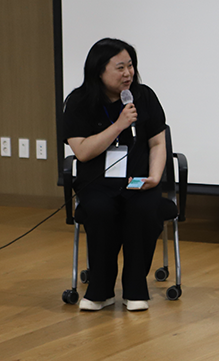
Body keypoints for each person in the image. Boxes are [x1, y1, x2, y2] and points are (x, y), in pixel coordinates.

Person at [62, 38, 170, 312]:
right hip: (97, 184)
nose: (128, 73)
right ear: (99, 71)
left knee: (145, 210)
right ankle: (100, 290)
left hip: (138, 180)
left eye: (130, 66)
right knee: (99, 211)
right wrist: (119, 125)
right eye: (120, 67)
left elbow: (158, 143)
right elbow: (82, 151)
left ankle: (135, 288)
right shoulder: (78, 102)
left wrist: (155, 177)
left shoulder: (144, 97)